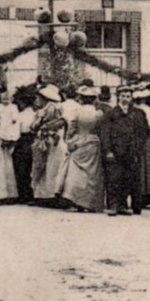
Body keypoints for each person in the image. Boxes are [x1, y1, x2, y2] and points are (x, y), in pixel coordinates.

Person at [99, 85, 147, 216]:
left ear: (131, 98)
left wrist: (138, 148)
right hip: (115, 152)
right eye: (123, 96)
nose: (125, 99)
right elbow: (105, 133)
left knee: (127, 178)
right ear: (118, 97)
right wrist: (108, 150)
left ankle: (122, 205)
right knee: (114, 178)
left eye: (128, 96)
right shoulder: (111, 114)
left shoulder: (138, 114)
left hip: (132, 152)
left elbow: (144, 132)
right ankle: (112, 205)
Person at [60, 84, 107, 212]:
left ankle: (77, 200)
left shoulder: (77, 112)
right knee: (92, 173)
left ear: (81, 98)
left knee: (77, 173)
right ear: (93, 99)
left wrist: (69, 141)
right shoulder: (98, 114)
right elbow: (101, 129)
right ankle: (90, 202)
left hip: (79, 141)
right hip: (93, 141)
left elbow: (71, 128)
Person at [0, 84, 40, 203]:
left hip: (22, 141)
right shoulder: (36, 115)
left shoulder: (20, 116)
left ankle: (23, 194)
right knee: (33, 168)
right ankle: (34, 194)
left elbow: (15, 130)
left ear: (22, 102)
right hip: (34, 140)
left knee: (21, 168)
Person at [31, 84, 68, 205]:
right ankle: (44, 195)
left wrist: (42, 125)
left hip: (52, 141)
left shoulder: (52, 108)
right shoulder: (44, 110)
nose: (37, 101)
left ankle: (51, 195)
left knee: (51, 167)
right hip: (46, 140)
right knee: (44, 167)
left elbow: (52, 124)